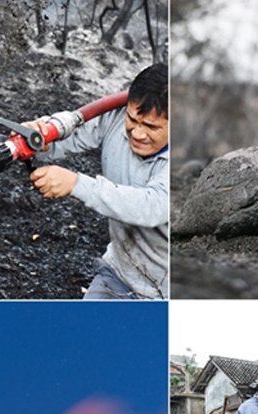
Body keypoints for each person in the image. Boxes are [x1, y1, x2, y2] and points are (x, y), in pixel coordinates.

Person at [27, 64, 168, 299]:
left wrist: (76, 183)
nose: (138, 133)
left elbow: (152, 206)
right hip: (117, 274)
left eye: (151, 127)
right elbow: (68, 136)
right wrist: (36, 136)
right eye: (133, 120)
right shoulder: (114, 117)